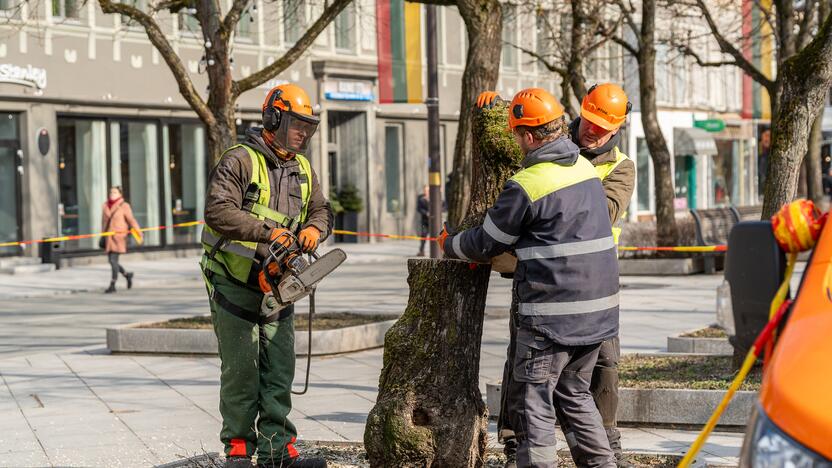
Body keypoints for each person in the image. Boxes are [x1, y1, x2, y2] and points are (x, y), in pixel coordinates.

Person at [441, 88, 619, 468]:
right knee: (574, 393)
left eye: (517, 134)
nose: (516, 142)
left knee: (534, 403)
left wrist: (450, 244)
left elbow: (487, 240)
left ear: (528, 136)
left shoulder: (529, 183)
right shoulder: (585, 168)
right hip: (597, 314)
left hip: (552, 318)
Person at [490, 83, 635, 467]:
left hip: (590, 283)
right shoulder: (547, 145)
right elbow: (522, 130)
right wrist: (495, 106)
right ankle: (513, 440)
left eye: (603, 127)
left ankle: (608, 443)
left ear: (618, 128)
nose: (593, 130)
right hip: (542, 279)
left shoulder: (618, 166)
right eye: (589, 120)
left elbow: (591, 216)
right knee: (528, 368)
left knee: (600, 370)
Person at [201, 83, 333, 468]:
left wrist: (314, 230)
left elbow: (322, 211)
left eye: (308, 126)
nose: (303, 133)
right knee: (242, 369)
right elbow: (218, 211)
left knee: (279, 367)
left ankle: (278, 449)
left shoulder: (303, 169)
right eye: (296, 124)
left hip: (279, 283)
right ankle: (239, 451)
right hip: (233, 279)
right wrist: (267, 232)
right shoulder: (240, 160)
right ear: (274, 118)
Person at [101, 186, 142, 293]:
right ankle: (127, 275)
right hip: (108, 238)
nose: (112, 194)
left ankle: (112, 285)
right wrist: (102, 235)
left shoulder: (124, 206)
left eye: (115, 192)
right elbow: (104, 223)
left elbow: (131, 220)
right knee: (112, 261)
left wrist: (138, 232)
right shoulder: (105, 205)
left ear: (120, 194)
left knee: (113, 261)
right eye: (111, 192)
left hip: (118, 237)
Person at [417, 185, 430, 256]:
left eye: (427, 190)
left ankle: (441, 251)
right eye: (425, 190)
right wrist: (426, 213)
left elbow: (443, 206)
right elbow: (419, 209)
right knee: (423, 236)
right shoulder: (420, 198)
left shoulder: (435, 196)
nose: (426, 192)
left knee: (437, 236)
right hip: (425, 221)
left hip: (434, 222)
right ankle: (421, 251)